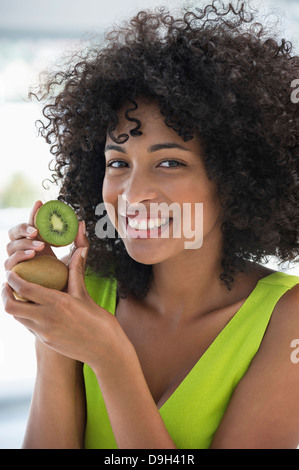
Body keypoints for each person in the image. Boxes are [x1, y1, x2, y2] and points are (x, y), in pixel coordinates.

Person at [2, 2, 299, 449]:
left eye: (170, 162)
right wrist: (52, 326)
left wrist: (110, 357)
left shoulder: (286, 318)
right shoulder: (87, 294)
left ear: (237, 178)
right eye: (118, 162)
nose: (132, 193)